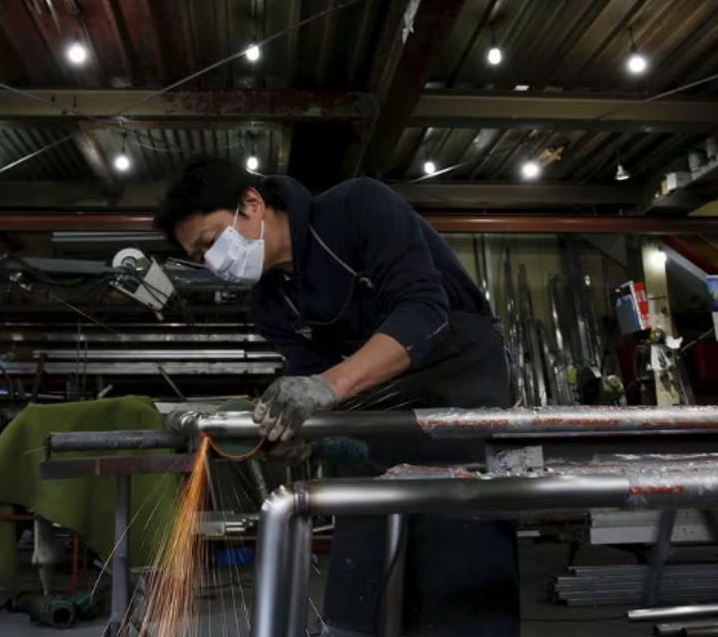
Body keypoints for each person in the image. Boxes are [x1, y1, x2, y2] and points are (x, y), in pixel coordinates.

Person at [155, 158, 519, 637]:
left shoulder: (357, 208)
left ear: (251, 203)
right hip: (375, 408)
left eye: (210, 242)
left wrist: (328, 387)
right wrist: (302, 429)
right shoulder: (268, 302)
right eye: (200, 257)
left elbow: (422, 312)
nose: (212, 262)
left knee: (457, 561)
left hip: (459, 384)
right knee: (361, 570)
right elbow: (309, 373)